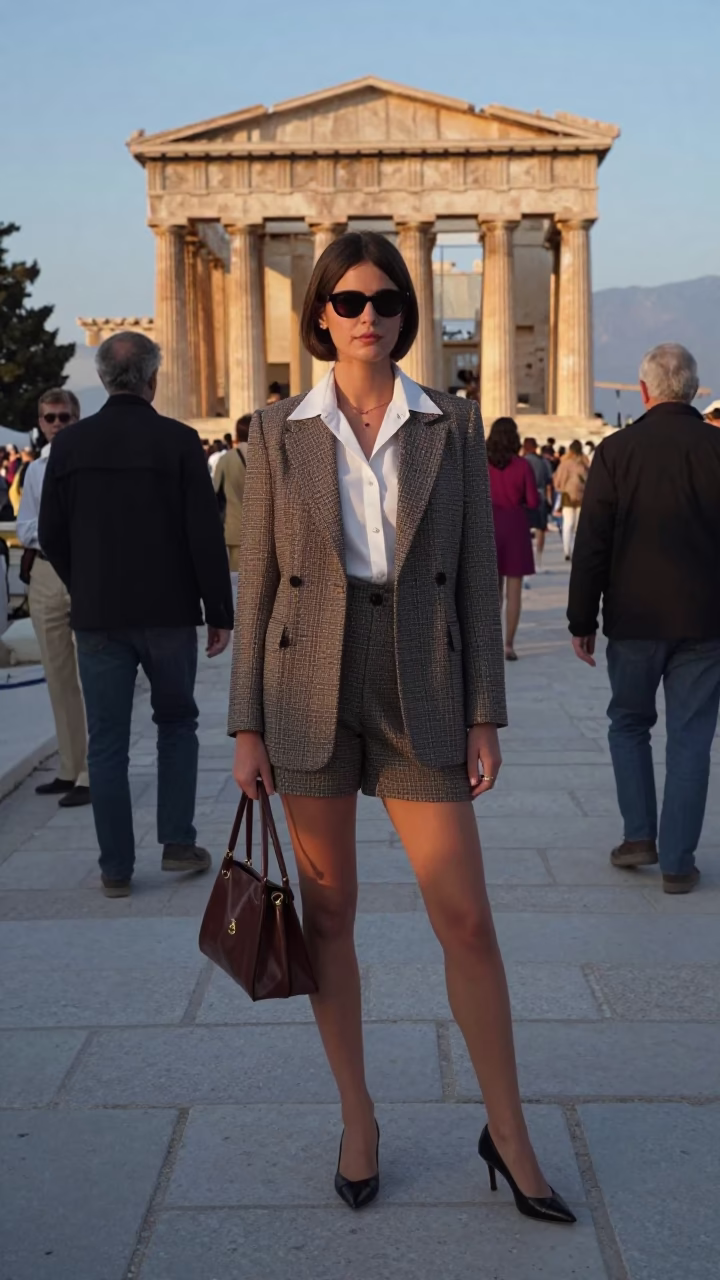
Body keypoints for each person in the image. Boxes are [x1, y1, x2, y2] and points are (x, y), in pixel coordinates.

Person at [230, 231, 574, 1223]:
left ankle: (507, 1131)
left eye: (384, 299)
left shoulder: (450, 424)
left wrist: (485, 712)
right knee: (328, 916)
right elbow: (256, 589)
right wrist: (245, 724)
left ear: (405, 312)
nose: (366, 315)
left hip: (418, 681)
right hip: (308, 689)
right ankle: (358, 1116)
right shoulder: (274, 427)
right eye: (346, 300)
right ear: (319, 314)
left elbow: (473, 572)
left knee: (465, 917)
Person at [39, 331, 234, 898]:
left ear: (102, 379)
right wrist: (217, 608)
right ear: (154, 378)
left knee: (106, 743)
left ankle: (116, 869)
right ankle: (176, 841)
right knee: (176, 724)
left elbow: (52, 532)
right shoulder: (178, 442)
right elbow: (204, 534)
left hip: (99, 616)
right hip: (169, 613)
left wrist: (87, 585)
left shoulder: (70, 448)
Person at [568, 343, 720, 895]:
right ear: (694, 391)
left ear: (644, 391)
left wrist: (580, 616)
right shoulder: (717, 448)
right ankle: (679, 862)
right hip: (705, 621)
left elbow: (592, 544)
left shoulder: (616, 451)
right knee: (691, 738)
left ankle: (639, 836)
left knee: (629, 724)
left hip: (633, 618)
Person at [17, 389, 91, 806]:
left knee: (91, 675)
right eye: (51, 418)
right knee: (58, 675)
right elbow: (26, 524)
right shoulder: (34, 471)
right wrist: (53, 531)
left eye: (65, 417)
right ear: (41, 422)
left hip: (82, 571)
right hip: (46, 571)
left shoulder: (90, 463)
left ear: (76, 419)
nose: (58, 424)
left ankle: (91, 772)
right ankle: (69, 766)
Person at [487, 419, 538, 661]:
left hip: (488, 525)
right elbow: (533, 501)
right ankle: (508, 644)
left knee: (492, 590)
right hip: (516, 526)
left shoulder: (482, 463)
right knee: (514, 591)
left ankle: (491, 642)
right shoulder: (523, 466)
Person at [213, 413, 252, 571]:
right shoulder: (270, 456)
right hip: (269, 531)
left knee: (239, 583)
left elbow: (216, 493)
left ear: (237, 435)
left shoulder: (226, 459)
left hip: (236, 529)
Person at [553, 440, 589, 560]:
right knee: (578, 525)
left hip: (567, 495)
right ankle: (577, 549)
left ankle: (567, 551)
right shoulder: (584, 462)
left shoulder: (565, 463)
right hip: (582, 495)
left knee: (567, 524)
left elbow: (558, 480)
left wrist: (561, 488)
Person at [522, 437, 553, 570]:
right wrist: (550, 500)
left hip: (524, 497)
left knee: (525, 528)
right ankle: (538, 558)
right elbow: (549, 483)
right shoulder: (543, 462)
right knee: (540, 528)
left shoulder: (521, 462)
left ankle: (526, 556)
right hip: (540, 495)